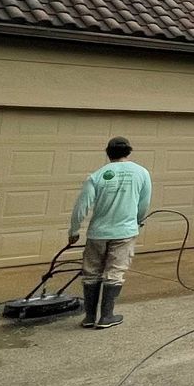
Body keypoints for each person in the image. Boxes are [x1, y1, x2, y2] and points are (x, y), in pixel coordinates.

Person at [68, 136, 151, 329]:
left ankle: (89, 317)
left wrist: (73, 230)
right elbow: (144, 203)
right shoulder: (142, 173)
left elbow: (81, 207)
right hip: (125, 232)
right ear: (129, 152)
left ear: (108, 153)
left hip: (97, 233)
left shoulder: (96, 176)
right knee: (115, 272)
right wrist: (137, 221)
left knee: (91, 273)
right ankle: (106, 316)